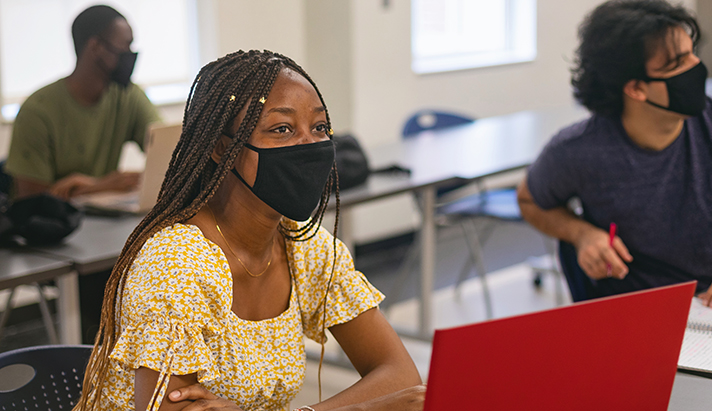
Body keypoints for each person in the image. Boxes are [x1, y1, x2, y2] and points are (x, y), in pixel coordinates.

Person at [74, 50, 425, 411]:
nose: (309, 145)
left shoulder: (305, 246)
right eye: (282, 129)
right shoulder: (177, 266)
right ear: (222, 148)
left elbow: (400, 376)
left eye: (319, 127)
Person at [517, 0, 712, 310]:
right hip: (623, 319)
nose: (697, 67)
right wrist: (581, 233)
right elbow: (529, 199)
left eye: (693, 52)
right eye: (678, 63)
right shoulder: (578, 148)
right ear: (636, 89)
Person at [4, 4, 160, 200]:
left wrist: (98, 185)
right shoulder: (37, 111)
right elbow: (31, 202)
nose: (130, 53)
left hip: (105, 218)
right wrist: (99, 186)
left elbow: (173, 155)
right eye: (124, 46)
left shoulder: (129, 96)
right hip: (54, 227)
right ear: (96, 47)